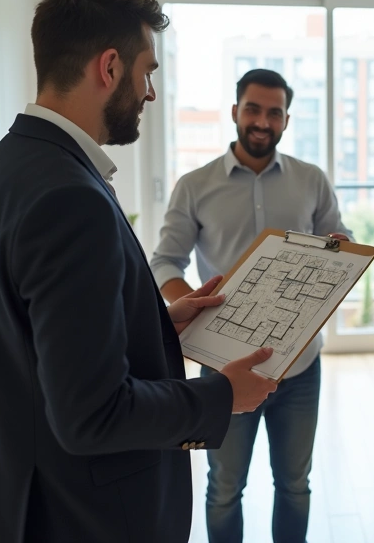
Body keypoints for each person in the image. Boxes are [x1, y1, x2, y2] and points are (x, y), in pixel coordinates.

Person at [0, 0, 278, 543]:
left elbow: (40, 350)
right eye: (147, 71)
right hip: (88, 517)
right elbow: (92, 414)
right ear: (109, 67)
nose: (150, 92)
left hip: (24, 504)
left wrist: (156, 325)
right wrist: (222, 395)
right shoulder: (71, 198)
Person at [151, 68, 353, 543]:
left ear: (286, 120)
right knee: (224, 488)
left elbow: (341, 244)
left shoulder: (311, 180)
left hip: (299, 368)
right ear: (235, 112)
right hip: (223, 367)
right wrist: (195, 307)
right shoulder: (195, 185)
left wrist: (339, 252)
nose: (263, 121)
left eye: (274, 113)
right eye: (253, 110)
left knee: (295, 485)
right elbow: (164, 262)